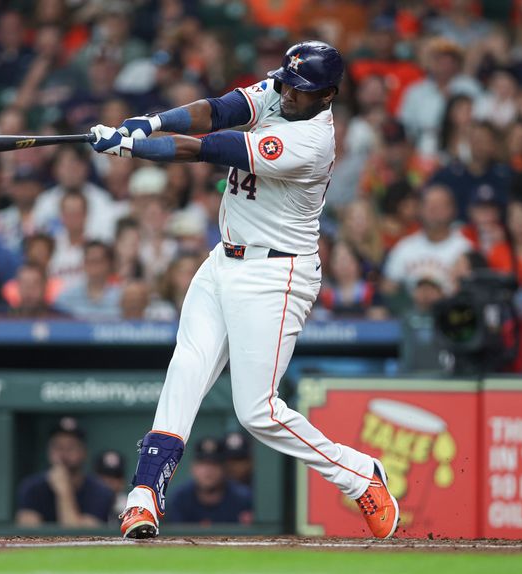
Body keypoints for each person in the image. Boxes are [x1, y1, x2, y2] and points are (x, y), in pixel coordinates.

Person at [89, 40, 398, 539]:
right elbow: (218, 111)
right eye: (287, 81)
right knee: (186, 369)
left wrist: (134, 146)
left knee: (257, 410)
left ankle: (359, 474)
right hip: (224, 260)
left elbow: (213, 147)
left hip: (276, 276)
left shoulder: (314, 141)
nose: (285, 92)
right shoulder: (282, 91)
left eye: (299, 89)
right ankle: (143, 496)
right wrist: (150, 121)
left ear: (328, 94)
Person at [15, 416, 113, 527]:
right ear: (49, 451)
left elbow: (81, 538)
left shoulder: (99, 491)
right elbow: (28, 534)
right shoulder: (32, 488)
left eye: (71, 447)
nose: (64, 454)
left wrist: (64, 492)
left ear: (83, 452)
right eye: (58, 447)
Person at [165, 436, 253, 525]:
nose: (208, 470)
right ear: (193, 468)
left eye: (214, 464)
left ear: (224, 468)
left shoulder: (242, 498)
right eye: (203, 464)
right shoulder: (180, 499)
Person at [93, 449, 127, 524]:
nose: (109, 481)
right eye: (105, 476)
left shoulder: (130, 509)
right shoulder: (86, 504)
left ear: (122, 482)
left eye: (115, 476)